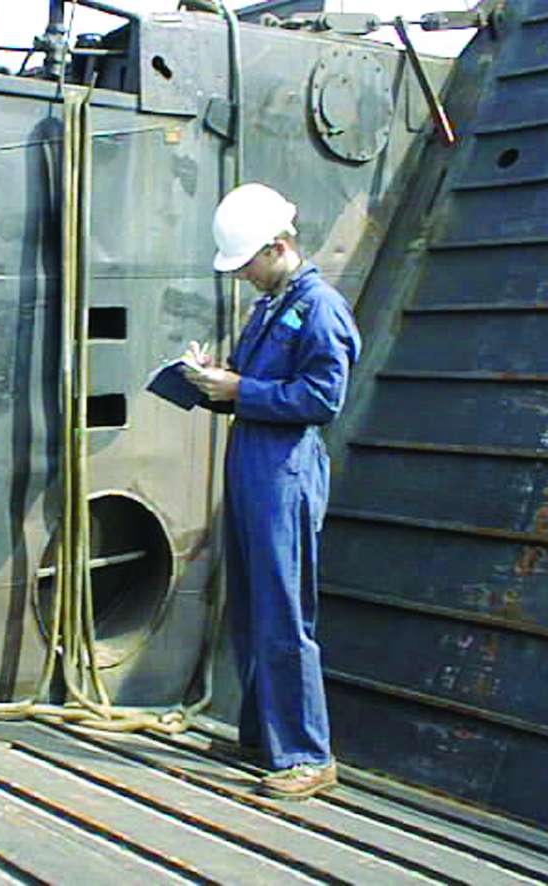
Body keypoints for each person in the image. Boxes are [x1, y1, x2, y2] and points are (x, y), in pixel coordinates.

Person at [183, 183, 361, 800]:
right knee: (254, 605)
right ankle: (263, 735)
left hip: (285, 471)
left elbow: (322, 399)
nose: (244, 278)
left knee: (285, 611)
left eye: (248, 265)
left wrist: (241, 392)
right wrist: (211, 378)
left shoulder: (320, 310)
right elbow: (257, 381)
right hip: (255, 463)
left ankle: (309, 754)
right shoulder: (272, 305)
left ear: (278, 247)